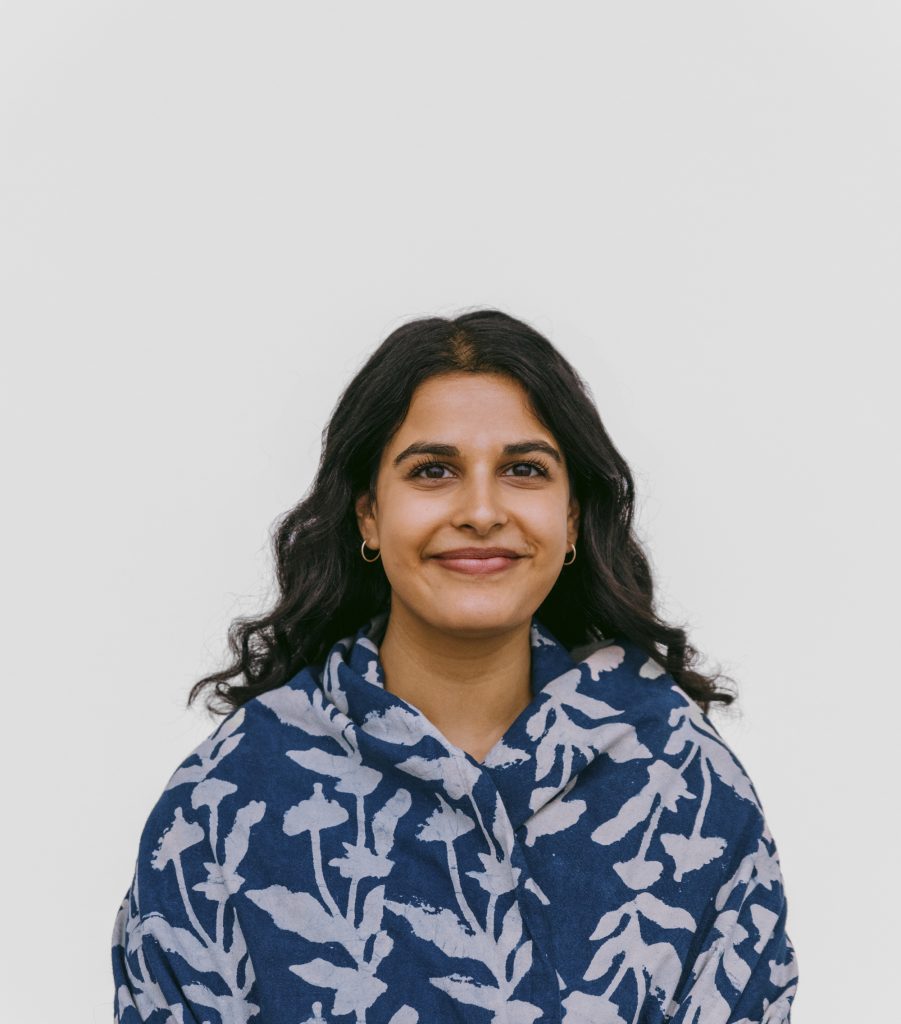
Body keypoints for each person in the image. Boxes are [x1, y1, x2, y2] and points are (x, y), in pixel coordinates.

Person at [111, 309, 798, 1023]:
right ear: (368, 514)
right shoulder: (227, 797)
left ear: (570, 520)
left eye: (523, 470)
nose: (479, 509)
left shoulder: (686, 786)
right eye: (433, 470)